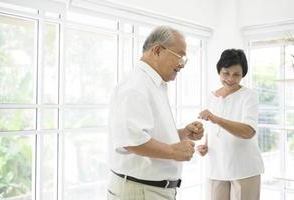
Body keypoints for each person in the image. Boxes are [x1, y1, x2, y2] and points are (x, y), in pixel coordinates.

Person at [107, 26, 204, 200]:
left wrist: (182, 134)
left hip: (148, 191)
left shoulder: (151, 84)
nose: (182, 65)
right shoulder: (136, 86)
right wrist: (173, 151)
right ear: (158, 50)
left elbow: (145, 133)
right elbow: (130, 140)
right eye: (180, 56)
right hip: (140, 192)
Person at [197, 49, 264, 200]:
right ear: (219, 71)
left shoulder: (249, 95)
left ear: (243, 74)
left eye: (236, 74)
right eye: (226, 73)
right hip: (216, 168)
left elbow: (248, 131)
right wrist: (204, 146)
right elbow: (211, 130)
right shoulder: (211, 96)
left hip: (244, 169)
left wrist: (216, 118)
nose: (230, 79)